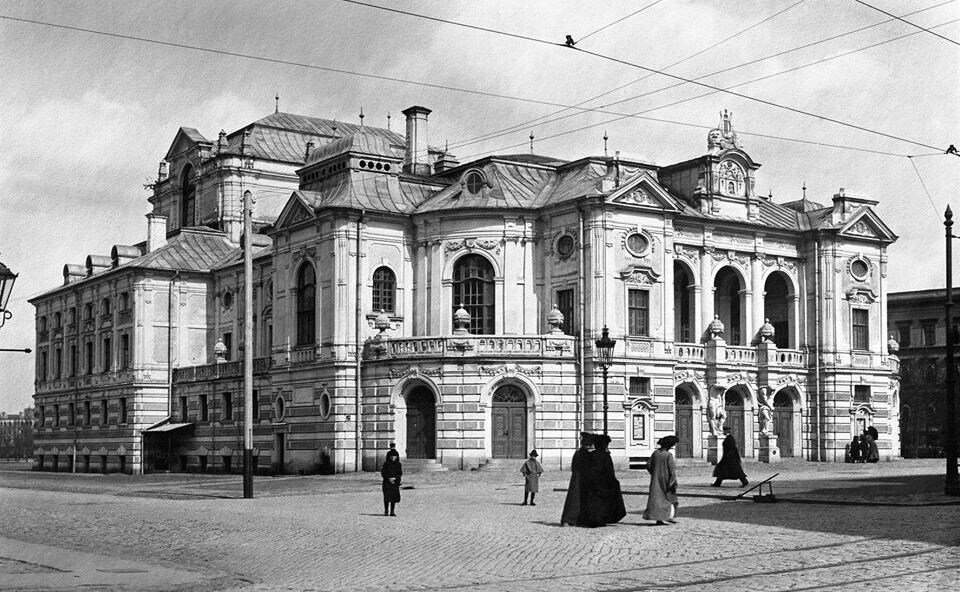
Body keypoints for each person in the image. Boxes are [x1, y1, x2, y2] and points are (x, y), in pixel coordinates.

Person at [585, 434, 626, 526]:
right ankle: (601, 519)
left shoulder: (591, 455)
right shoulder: (605, 456)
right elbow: (609, 470)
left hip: (592, 481)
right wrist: (614, 481)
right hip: (604, 482)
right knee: (604, 501)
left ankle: (593, 518)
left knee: (594, 500)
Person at [560, 432, 595, 526]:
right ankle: (572, 520)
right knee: (578, 499)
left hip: (576, 478)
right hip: (583, 479)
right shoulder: (586, 454)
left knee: (573, 499)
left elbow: (573, 466)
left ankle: (568, 520)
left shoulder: (578, 452)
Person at [644, 435, 679, 525]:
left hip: (655, 480)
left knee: (657, 499)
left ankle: (659, 519)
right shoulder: (668, 455)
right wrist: (673, 482)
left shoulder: (655, 453)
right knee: (669, 498)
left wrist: (654, 473)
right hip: (666, 480)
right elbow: (672, 471)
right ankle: (668, 516)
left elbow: (648, 465)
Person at [381, 448, 402, 516]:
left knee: (393, 497)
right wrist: (388, 478)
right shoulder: (386, 464)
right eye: (392, 456)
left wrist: (395, 479)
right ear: (389, 456)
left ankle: (392, 511)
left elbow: (400, 473)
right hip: (387, 483)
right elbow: (383, 473)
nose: (393, 458)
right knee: (386, 497)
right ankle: (386, 511)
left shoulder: (398, 464)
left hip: (395, 482)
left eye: (395, 456)